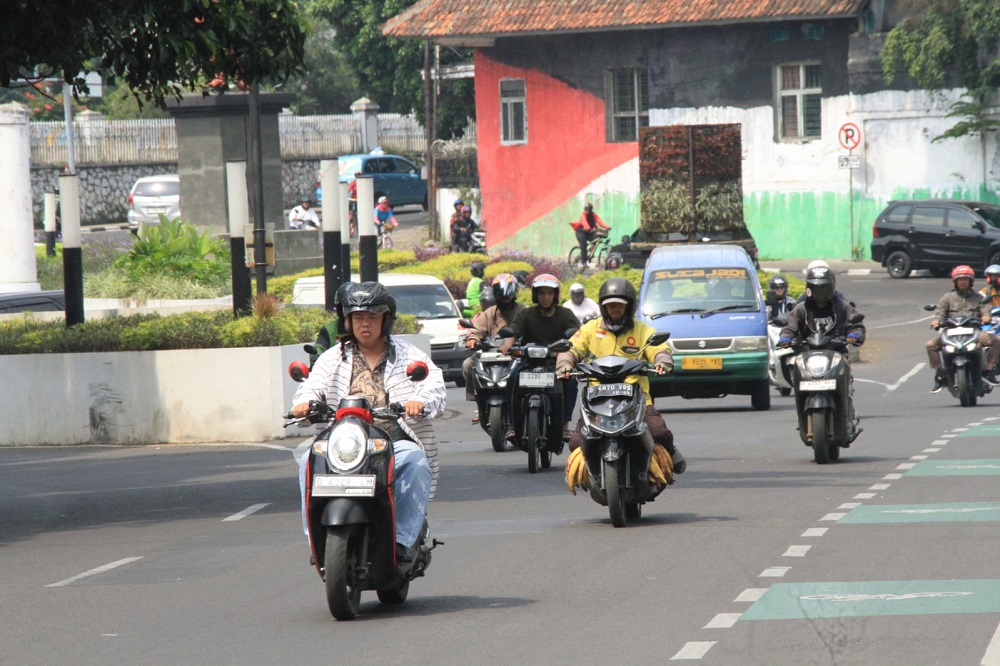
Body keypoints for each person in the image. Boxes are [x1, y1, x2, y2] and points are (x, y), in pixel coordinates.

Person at [291, 282, 446, 561]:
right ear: (348, 321)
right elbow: (311, 386)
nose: (365, 324)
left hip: (393, 442)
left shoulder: (409, 355)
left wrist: (420, 402)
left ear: (385, 320)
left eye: (372, 317)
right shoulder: (331, 359)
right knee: (307, 461)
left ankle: (402, 540)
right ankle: (317, 539)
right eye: (358, 317)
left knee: (415, 461)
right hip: (343, 444)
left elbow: (433, 383)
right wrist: (303, 405)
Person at [556, 277, 686, 473]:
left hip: (636, 397)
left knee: (660, 431)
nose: (615, 309)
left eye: (619, 305)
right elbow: (571, 349)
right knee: (575, 443)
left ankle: (671, 452)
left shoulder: (642, 330)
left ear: (629, 306)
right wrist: (565, 364)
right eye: (610, 305)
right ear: (603, 307)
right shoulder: (591, 328)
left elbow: (659, 349)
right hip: (596, 398)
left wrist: (662, 362)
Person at [503, 274, 581, 443]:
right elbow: (514, 331)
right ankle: (512, 425)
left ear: (555, 295)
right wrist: (507, 345)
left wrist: (571, 348)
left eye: (549, 293)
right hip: (529, 362)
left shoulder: (566, 314)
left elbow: (577, 334)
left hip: (555, 364)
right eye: (541, 293)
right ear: (535, 295)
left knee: (571, 383)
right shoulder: (526, 314)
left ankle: (564, 425)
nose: (545, 297)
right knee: (511, 380)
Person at [926, 264, 1000, 393]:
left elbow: (985, 309)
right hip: (950, 332)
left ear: (971, 281)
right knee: (930, 345)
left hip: (974, 331)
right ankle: (940, 373)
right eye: (960, 280)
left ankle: (989, 371)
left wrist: (986, 317)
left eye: (966, 279)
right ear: (955, 282)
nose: (963, 282)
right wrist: (936, 321)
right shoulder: (947, 297)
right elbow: (940, 311)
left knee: (996, 340)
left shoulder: (979, 297)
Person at [462, 273, 525, 404]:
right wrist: (473, 339)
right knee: (468, 365)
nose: (505, 297)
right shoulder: (490, 313)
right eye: (501, 293)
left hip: (517, 355)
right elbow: (477, 330)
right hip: (492, 355)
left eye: (508, 293)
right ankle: (479, 399)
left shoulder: (524, 310)